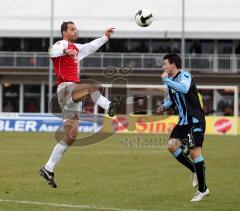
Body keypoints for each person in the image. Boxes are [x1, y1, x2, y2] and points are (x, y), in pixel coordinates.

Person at [39, 21, 119, 188]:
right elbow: (51, 51)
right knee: (92, 86)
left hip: (71, 93)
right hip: (66, 88)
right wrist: (64, 50)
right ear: (64, 33)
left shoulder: (76, 48)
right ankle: (108, 106)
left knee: (71, 135)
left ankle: (48, 168)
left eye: (75, 29)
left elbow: (91, 46)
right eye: (72, 29)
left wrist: (105, 37)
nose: (75, 31)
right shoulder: (62, 44)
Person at [157, 53, 209, 202]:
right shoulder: (171, 80)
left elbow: (185, 89)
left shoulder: (185, 75)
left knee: (195, 152)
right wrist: (164, 106)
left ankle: (203, 190)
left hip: (195, 121)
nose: (163, 66)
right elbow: (173, 98)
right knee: (171, 146)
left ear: (173, 64)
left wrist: (166, 81)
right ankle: (194, 169)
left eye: (165, 63)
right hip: (183, 122)